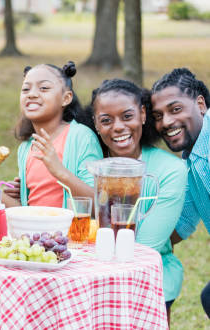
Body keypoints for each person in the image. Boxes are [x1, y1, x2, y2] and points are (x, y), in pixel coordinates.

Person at [84, 78, 187, 321]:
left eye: (127, 116)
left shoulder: (170, 169)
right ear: (96, 125)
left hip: (149, 275)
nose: (118, 127)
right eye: (106, 120)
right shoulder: (89, 164)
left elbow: (146, 245)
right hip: (90, 275)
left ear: (142, 114)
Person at [0, 61, 102, 207]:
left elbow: (98, 205)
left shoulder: (81, 137)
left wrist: (59, 171)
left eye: (44, 88)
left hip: (72, 229)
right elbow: (25, 212)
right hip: (34, 229)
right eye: (26, 89)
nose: (32, 94)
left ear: (66, 98)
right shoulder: (26, 148)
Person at [150, 68, 210, 318]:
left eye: (175, 109)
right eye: (158, 116)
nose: (166, 122)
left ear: (200, 104)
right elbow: (178, 226)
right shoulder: (191, 163)